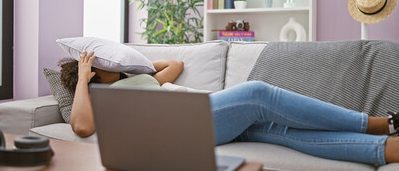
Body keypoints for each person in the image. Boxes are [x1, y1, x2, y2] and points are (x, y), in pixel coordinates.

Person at [59, 51, 399, 165]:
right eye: (98, 62)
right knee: (257, 93)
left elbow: (174, 65)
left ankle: (383, 149)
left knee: (278, 132)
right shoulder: (104, 96)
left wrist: (134, 63)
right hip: (187, 124)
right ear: (91, 76)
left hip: (200, 115)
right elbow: (82, 128)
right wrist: (85, 76)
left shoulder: (134, 80)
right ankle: (374, 124)